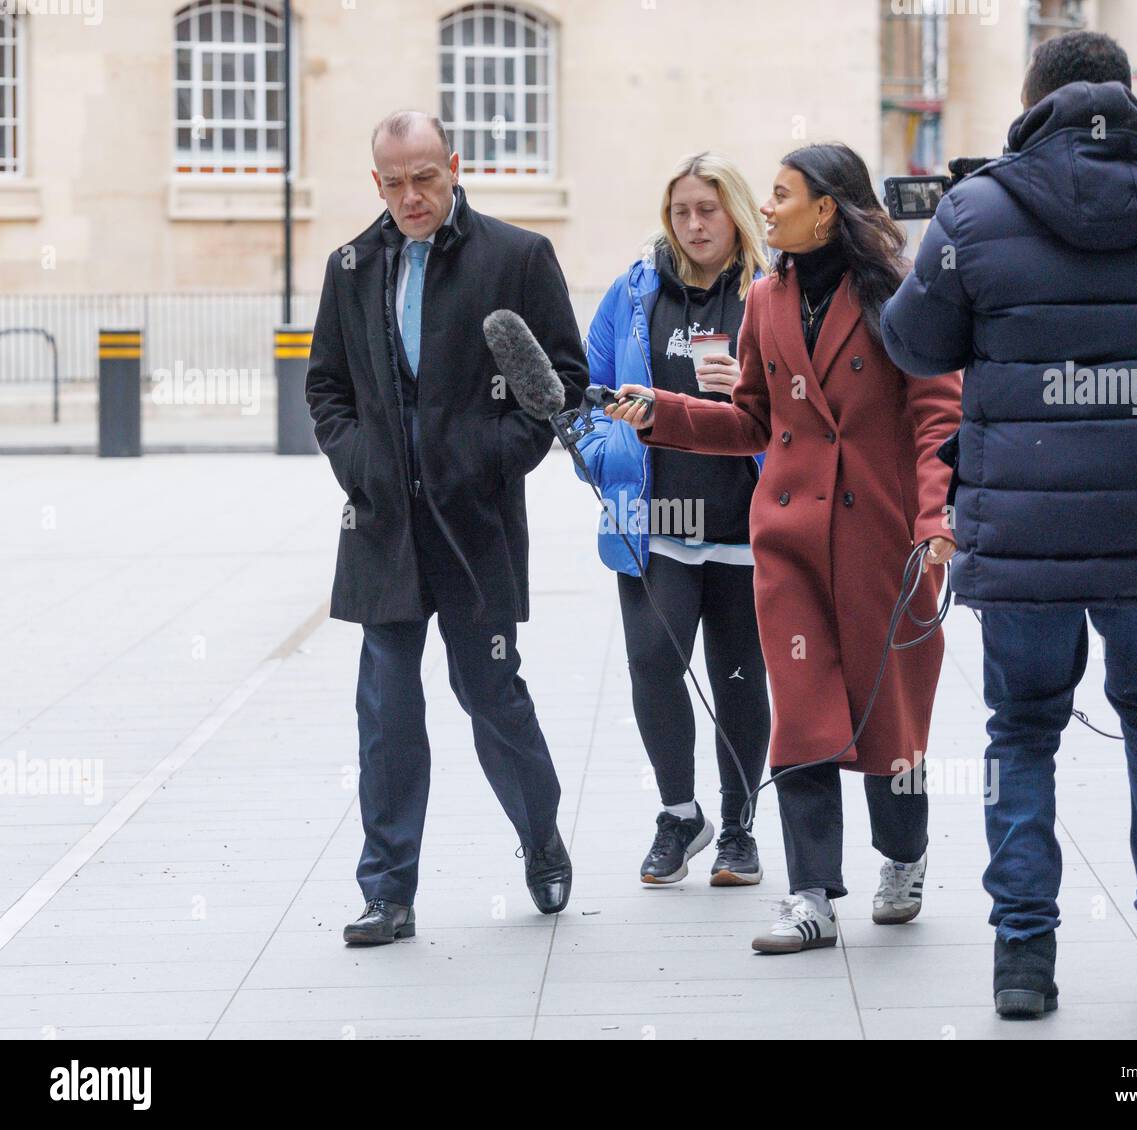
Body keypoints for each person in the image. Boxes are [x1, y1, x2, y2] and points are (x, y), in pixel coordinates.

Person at [880, 31, 1137, 1017]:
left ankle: (1023, 959)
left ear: (1032, 102)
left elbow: (914, 342)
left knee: (1021, 728)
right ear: (1123, 99)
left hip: (1021, 519)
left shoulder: (973, 210)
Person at [608, 144, 961, 953]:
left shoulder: (904, 295)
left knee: (891, 721)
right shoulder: (767, 298)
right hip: (792, 546)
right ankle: (810, 896)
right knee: (802, 718)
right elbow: (755, 424)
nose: (765, 210)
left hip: (886, 549)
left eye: (781, 195)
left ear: (828, 208)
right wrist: (660, 410)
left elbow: (940, 419)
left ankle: (903, 856)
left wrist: (936, 521)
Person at [304, 111, 587, 945]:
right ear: (375, 183)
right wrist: (365, 466)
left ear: (454, 166)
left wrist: (486, 459)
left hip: (476, 526)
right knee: (387, 709)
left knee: (490, 693)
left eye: (424, 176)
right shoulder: (350, 267)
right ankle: (388, 891)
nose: (410, 195)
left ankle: (540, 839)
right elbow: (326, 388)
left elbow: (558, 383)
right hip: (383, 529)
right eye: (392, 182)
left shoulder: (518, 257)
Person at [579, 153, 772, 887]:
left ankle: (741, 825)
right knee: (654, 666)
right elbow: (586, 391)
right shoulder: (633, 293)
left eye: (709, 209)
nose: (695, 224)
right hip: (654, 518)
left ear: (737, 214)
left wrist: (753, 390)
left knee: (739, 677)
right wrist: (602, 455)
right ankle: (679, 814)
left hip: (746, 522)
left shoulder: (770, 293)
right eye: (682, 210)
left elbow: (806, 400)